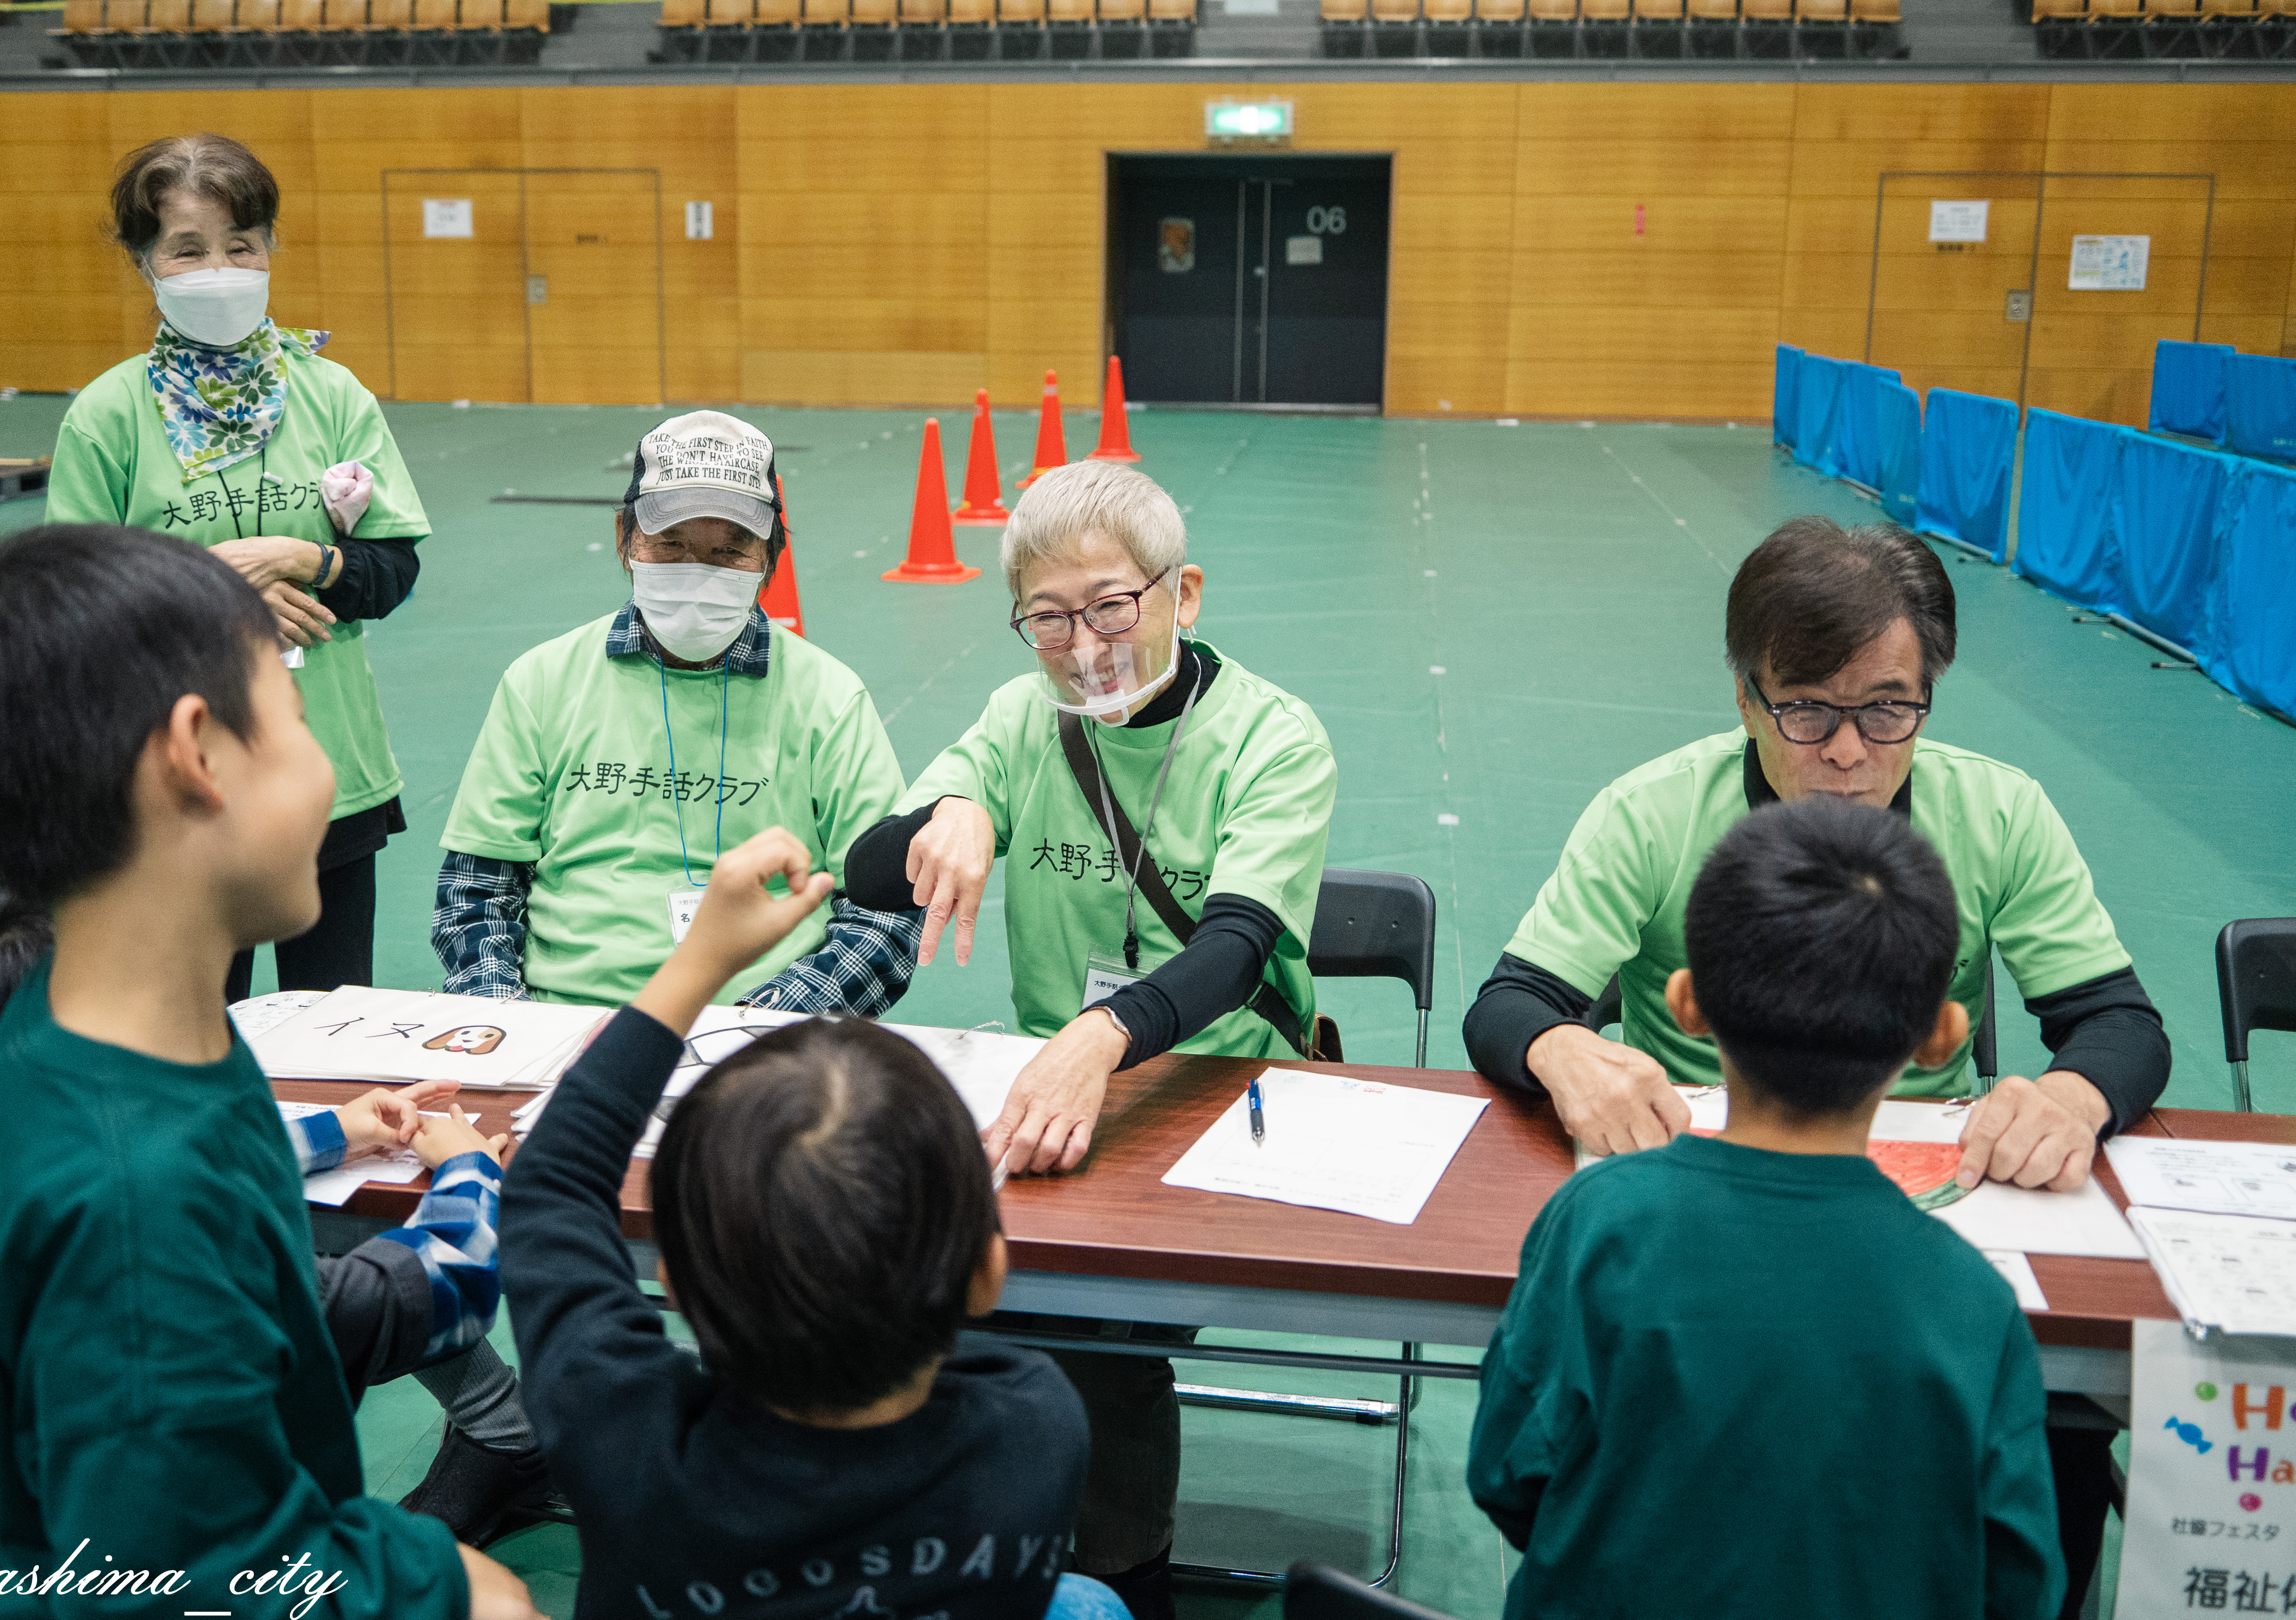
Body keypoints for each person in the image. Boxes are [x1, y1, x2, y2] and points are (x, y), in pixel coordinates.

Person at [1463, 515, 2164, 1614]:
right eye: (1805, 709)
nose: (1845, 752)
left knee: (2052, 1415)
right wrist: (1561, 1046)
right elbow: (1510, 1001)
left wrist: (2073, 1093)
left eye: (1887, 708)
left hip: (1928, 1212)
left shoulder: (1999, 811)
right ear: (1745, 698)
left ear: (1928, 693)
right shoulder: (1651, 813)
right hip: (1718, 1204)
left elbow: (2116, 1020)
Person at [0, 523, 537, 1620]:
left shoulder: (33, 1050)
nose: (324, 766)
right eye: (299, 720)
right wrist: (438, 1584)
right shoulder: (139, 1205)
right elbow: (197, 1575)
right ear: (198, 755)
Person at [843, 459, 1337, 1620]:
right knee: (889, 1256)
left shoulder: (1272, 736)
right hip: (1047, 1081)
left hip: (1221, 1085)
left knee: (1077, 1318)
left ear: (1182, 593)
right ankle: (976, 1552)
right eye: (1048, 618)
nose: (1082, 648)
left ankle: (1116, 1572)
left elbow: (1237, 947)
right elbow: (870, 870)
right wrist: (950, 813)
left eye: (1112, 606)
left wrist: (1101, 1033)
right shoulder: (1024, 716)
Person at [1468, 795, 2066, 1620]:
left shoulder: (1599, 1223)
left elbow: (1508, 1472)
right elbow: (2018, 1581)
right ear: (1942, 1034)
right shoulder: (1973, 1299)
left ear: (1686, 1003)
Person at [500, 826, 1118, 1620]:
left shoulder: (623, 1440)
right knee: (1086, 1603)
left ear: (677, 1284)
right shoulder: (1035, 1424)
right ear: (986, 1272)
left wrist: (700, 963)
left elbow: (550, 1184)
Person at [0, 886, 549, 1545]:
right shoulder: (169, 1266)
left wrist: (331, 1133)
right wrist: (470, 1169)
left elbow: (148, 1155)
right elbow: (428, 1290)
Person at [44, 132, 431, 1002]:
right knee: (194, 1027)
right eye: (188, 249)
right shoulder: (107, 417)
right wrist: (211, 593)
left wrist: (305, 558)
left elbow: (392, 569)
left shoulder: (333, 395)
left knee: (334, 1024)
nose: (218, 270)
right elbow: (70, 615)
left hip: (329, 768)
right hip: (184, 782)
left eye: (240, 246)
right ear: (145, 262)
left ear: (269, 251)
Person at [435, 410, 920, 1014]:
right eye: (670, 544)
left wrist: (759, 1028)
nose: (697, 571)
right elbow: (475, 891)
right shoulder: (541, 683)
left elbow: (885, 912)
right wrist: (508, 1022)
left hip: (753, 1027)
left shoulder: (829, 699)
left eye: (729, 550)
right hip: (562, 1014)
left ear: (770, 557)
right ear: (624, 538)